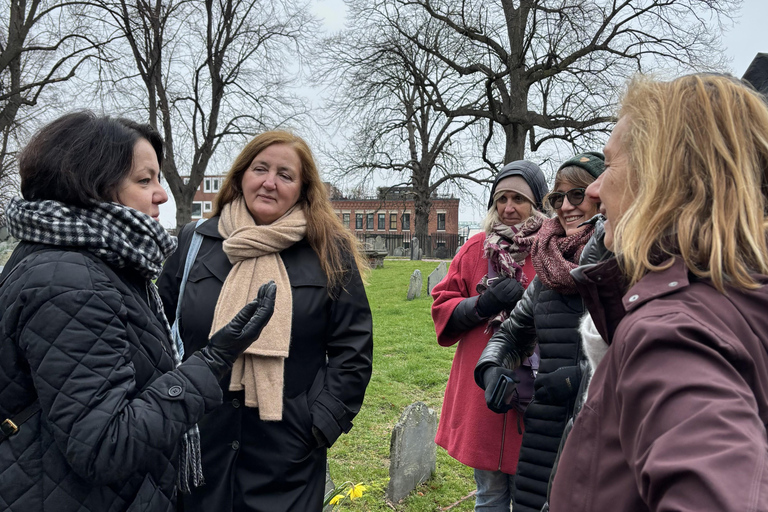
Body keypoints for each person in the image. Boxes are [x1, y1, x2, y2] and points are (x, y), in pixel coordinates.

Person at [0, 111, 276, 512]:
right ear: (91, 185)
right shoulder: (72, 282)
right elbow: (103, 445)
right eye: (144, 180)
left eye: (158, 179)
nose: (161, 194)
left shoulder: (91, 261)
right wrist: (212, 362)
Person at [549, 74, 768, 511]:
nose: (594, 190)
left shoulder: (671, 331)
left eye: (608, 166)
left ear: (661, 176)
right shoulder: (739, 298)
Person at [157, 130, 374, 512]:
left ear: (303, 188)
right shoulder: (195, 242)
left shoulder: (327, 250)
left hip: (288, 447)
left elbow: (352, 347)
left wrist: (321, 423)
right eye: (261, 169)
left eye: (285, 175)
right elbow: (158, 327)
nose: (270, 182)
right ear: (242, 175)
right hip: (199, 435)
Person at [474, 152, 605, 512]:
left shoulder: (621, 262)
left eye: (576, 195)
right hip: (543, 436)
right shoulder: (547, 270)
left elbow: (643, 355)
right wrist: (491, 369)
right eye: (557, 197)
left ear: (602, 192)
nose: (565, 206)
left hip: (599, 436)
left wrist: (579, 378)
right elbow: (512, 334)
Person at [430, 160, 548, 511]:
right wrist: (483, 304)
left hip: (534, 392)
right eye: (501, 198)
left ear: (537, 203)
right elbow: (443, 308)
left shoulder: (550, 251)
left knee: (533, 496)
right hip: (483, 390)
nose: (508, 208)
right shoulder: (475, 249)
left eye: (519, 199)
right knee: (490, 495)